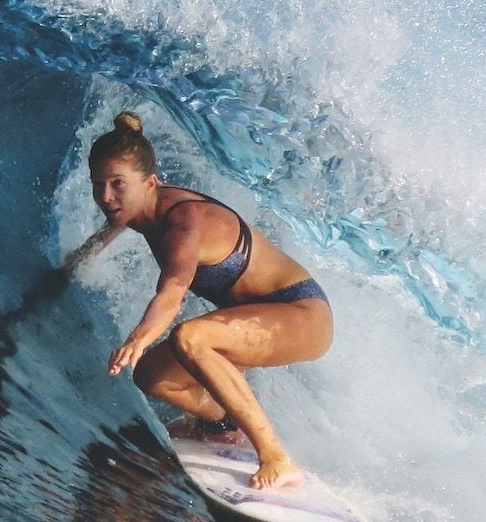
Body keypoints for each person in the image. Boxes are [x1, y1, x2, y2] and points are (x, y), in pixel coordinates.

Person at [63, 111, 331, 491]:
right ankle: (222, 422)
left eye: (117, 184)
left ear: (150, 183)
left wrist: (139, 337)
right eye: (99, 185)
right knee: (153, 377)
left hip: (303, 313)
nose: (106, 197)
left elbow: (172, 289)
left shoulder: (184, 224)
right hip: (257, 317)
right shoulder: (137, 208)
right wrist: (74, 262)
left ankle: (275, 456)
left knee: (191, 338)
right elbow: (112, 226)